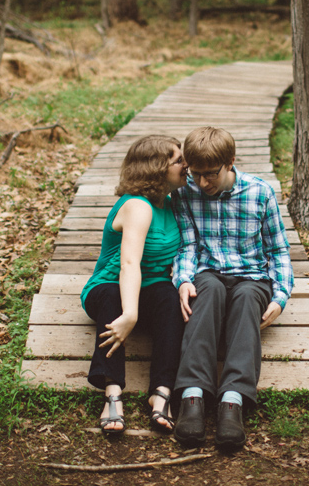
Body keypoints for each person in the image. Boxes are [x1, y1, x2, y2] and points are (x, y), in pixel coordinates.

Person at [171, 126, 293, 450]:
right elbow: (188, 246)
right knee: (206, 292)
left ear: (230, 162)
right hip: (208, 271)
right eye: (195, 174)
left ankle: (232, 401)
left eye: (210, 174)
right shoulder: (185, 194)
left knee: (247, 298)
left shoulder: (260, 192)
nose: (203, 183)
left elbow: (278, 251)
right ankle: (193, 397)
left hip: (252, 276)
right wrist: (183, 279)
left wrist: (280, 296)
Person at [80, 135, 188, 436]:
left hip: (151, 286)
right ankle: (113, 393)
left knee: (169, 299)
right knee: (113, 297)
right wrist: (130, 315)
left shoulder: (169, 201)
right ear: (156, 168)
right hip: (110, 285)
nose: (185, 165)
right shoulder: (138, 207)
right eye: (178, 160)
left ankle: (161, 392)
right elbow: (128, 264)